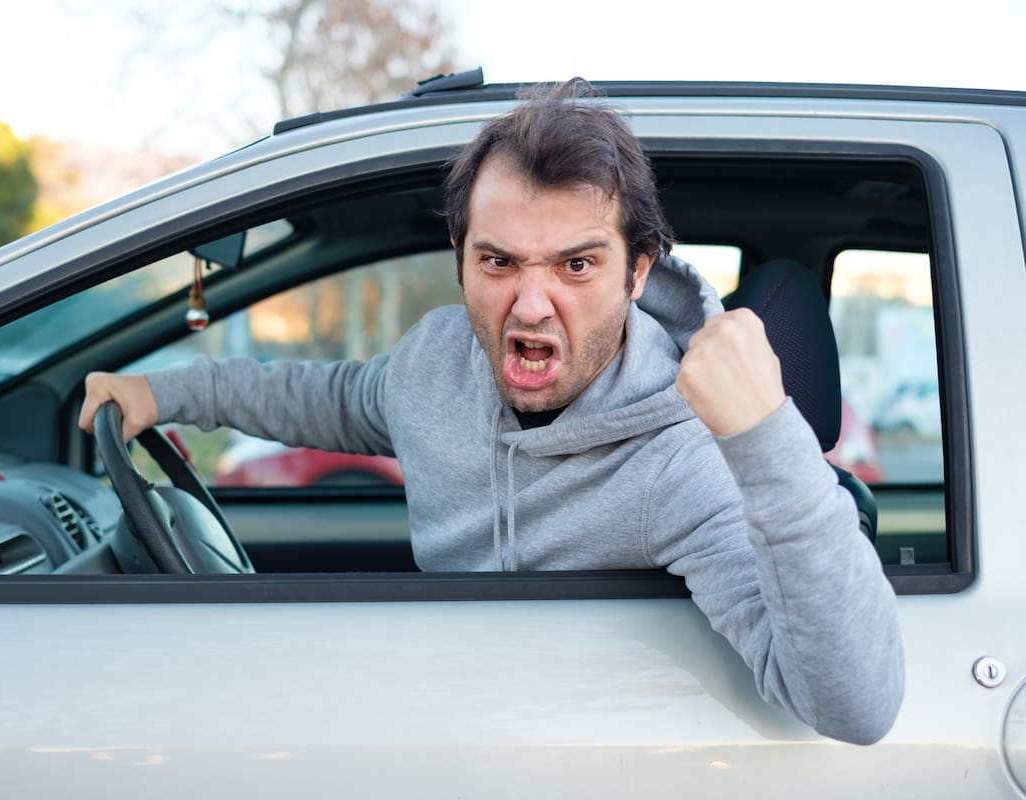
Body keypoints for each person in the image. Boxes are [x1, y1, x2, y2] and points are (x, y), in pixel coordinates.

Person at [79, 79, 903, 745]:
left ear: (638, 271)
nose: (532, 305)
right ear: (462, 260)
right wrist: (165, 394)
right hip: (447, 725)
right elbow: (329, 398)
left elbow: (856, 706)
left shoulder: (682, 462)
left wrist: (764, 435)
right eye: (499, 262)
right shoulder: (438, 361)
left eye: (576, 264)